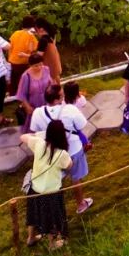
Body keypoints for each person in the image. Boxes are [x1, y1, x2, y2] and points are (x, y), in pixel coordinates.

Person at [29, 85, 92, 214]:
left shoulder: (37, 113)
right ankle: (80, 204)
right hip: (73, 149)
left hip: (53, 152)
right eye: (62, 94)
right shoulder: (69, 109)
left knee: (56, 179)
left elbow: (36, 132)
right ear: (58, 98)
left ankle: (51, 208)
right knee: (76, 178)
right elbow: (82, 125)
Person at [21, 121, 72, 249]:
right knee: (52, 219)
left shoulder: (39, 143)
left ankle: (31, 238)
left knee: (32, 214)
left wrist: (37, 135)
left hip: (34, 189)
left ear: (47, 133)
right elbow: (69, 165)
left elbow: (23, 137)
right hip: (51, 193)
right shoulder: (62, 154)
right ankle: (52, 244)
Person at [16, 54, 53, 135]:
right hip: (33, 103)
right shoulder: (26, 76)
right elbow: (21, 94)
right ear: (30, 65)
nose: (39, 67)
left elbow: (50, 82)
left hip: (46, 101)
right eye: (36, 66)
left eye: (41, 64)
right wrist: (27, 107)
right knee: (34, 124)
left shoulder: (46, 69)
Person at [9, 16, 40, 96]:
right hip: (23, 63)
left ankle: (13, 94)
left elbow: (10, 47)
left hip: (13, 61)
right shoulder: (31, 36)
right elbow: (34, 50)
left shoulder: (15, 33)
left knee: (14, 80)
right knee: (24, 80)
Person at [35, 20, 63, 85]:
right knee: (57, 82)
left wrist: (25, 55)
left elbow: (38, 57)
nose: (36, 33)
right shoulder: (51, 36)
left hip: (48, 69)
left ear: (41, 29)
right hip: (55, 66)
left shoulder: (43, 40)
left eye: (36, 30)